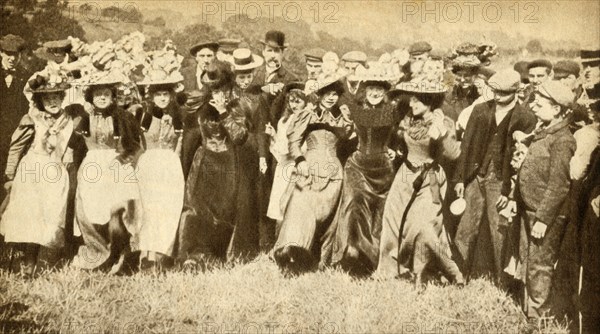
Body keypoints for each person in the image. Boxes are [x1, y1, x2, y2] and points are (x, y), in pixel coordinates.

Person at [375, 60, 463, 285]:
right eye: (411, 98)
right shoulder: (407, 120)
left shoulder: (444, 121)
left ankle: (440, 270)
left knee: (423, 225)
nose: (411, 103)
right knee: (392, 222)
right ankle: (388, 270)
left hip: (430, 177)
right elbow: (400, 142)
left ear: (429, 101)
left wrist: (442, 134)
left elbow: (453, 155)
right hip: (405, 175)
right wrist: (396, 152)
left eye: (416, 99)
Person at [0, 69, 87, 277]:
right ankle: (27, 264)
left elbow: (76, 146)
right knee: (29, 217)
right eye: (47, 98)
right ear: (40, 100)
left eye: (56, 97)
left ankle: (43, 260)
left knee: (50, 219)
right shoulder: (32, 119)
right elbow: (16, 147)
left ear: (62, 98)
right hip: (32, 171)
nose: (52, 102)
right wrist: (10, 176)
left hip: (56, 174)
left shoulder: (70, 120)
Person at [453, 70, 536, 281]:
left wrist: (509, 192)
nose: (497, 97)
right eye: (495, 91)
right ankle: (458, 273)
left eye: (503, 93)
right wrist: (461, 179)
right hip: (475, 176)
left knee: (499, 231)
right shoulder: (480, 110)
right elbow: (466, 146)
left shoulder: (526, 118)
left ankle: (502, 281)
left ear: (516, 92)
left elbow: (521, 160)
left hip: (501, 182)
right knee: (465, 229)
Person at [177, 60, 259, 267]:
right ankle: (192, 255)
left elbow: (240, 136)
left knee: (221, 212)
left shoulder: (238, 105)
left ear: (228, 86)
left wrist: (223, 112)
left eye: (220, 88)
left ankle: (215, 255)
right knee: (195, 208)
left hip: (227, 164)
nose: (216, 93)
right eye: (212, 88)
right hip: (203, 161)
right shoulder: (201, 103)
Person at [272, 73, 352, 275]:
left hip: (333, 173)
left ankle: (320, 260)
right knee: (299, 206)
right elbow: (294, 141)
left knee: (327, 217)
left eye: (335, 94)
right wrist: (299, 160)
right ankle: (292, 254)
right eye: (327, 93)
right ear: (320, 94)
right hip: (308, 170)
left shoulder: (343, 116)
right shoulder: (308, 114)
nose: (331, 98)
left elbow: (349, 143)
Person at [322, 66, 399, 275]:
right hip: (357, 165)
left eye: (379, 89)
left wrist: (396, 150)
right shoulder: (354, 110)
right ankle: (351, 254)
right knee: (355, 205)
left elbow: (403, 136)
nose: (374, 93)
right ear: (365, 90)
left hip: (382, 168)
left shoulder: (393, 111)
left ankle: (372, 258)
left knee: (379, 213)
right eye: (371, 88)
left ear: (384, 93)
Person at [510, 80, 576, 322]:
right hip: (532, 210)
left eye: (540, 101)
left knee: (540, 267)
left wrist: (543, 219)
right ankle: (530, 313)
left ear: (557, 109)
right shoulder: (545, 131)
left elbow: (559, 186)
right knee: (529, 262)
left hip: (544, 216)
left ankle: (539, 320)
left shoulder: (562, 141)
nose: (534, 104)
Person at [72, 70, 144, 273]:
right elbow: (76, 148)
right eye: (97, 94)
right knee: (89, 211)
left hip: (117, 166)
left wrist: (121, 160)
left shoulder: (124, 117)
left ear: (113, 96)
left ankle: (122, 255)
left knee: (118, 213)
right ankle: (98, 254)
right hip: (92, 167)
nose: (102, 97)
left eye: (106, 93)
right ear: (91, 97)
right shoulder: (84, 119)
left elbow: (136, 147)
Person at [134, 55, 187, 272]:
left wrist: (176, 164)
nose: (163, 98)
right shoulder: (145, 115)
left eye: (166, 94)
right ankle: (146, 255)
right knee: (149, 208)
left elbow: (180, 142)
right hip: (150, 164)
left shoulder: (178, 116)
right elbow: (140, 143)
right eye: (159, 95)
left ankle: (162, 254)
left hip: (170, 165)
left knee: (167, 209)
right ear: (152, 96)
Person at [265, 82, 308, 226]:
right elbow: (281, 150)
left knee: (295, 204)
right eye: (291, 101)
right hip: (284, 167)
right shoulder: (283, 121)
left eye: (298, 101)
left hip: (298, 166)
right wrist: (274, 135)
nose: (294, 105)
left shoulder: (307, 120)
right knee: (281, 204)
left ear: (305, 102)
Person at [181, 41, 219, 178]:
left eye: (209, 55)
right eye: (202, 56)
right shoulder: (183, 74)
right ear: (196, 58)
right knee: (186, 166)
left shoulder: (219, 75)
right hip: (189, 129)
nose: (206, 59)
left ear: (214, 57)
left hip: (211, 130)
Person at [0, 34, 29, 206]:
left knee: (11, 182)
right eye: (8, 54)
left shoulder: (26, 77)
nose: (12, 59)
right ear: (1, 53)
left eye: (16, 55)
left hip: (15, 139)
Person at [252, 30, 297, 101]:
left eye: (276, 51)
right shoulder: (253, 73)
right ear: (263, 52)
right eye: (269, 51)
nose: (272, 56)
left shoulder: (291, 80)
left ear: (283, 53)